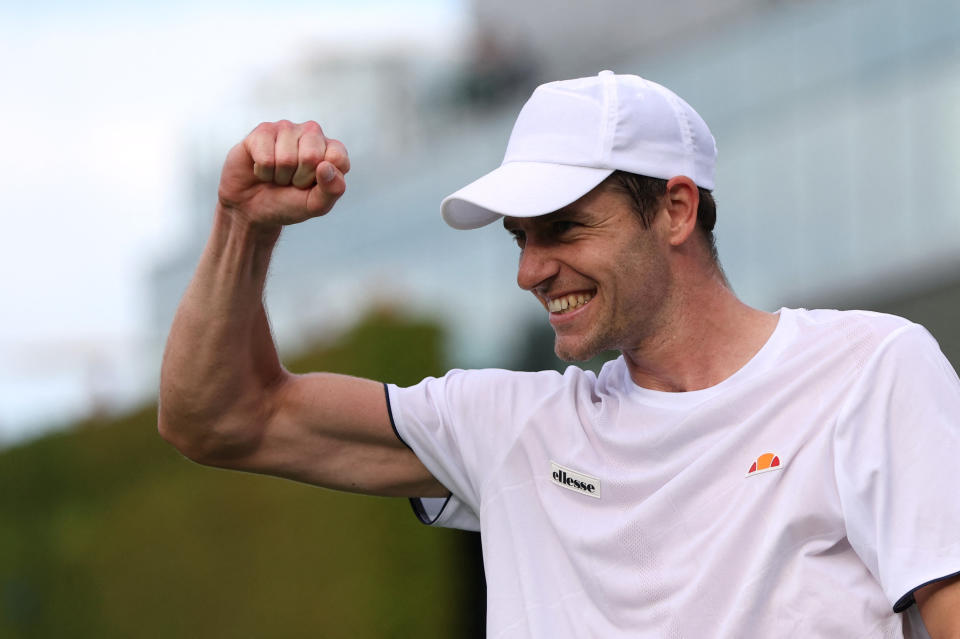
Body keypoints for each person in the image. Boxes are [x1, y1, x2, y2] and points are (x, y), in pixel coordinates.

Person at [158, 71, 960, 638]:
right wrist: (241, 226)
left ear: (676, 208)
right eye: (521, 236)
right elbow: (223, 415)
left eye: (564, 227)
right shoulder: (509, 427)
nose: (529, 269)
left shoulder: (873, 369)